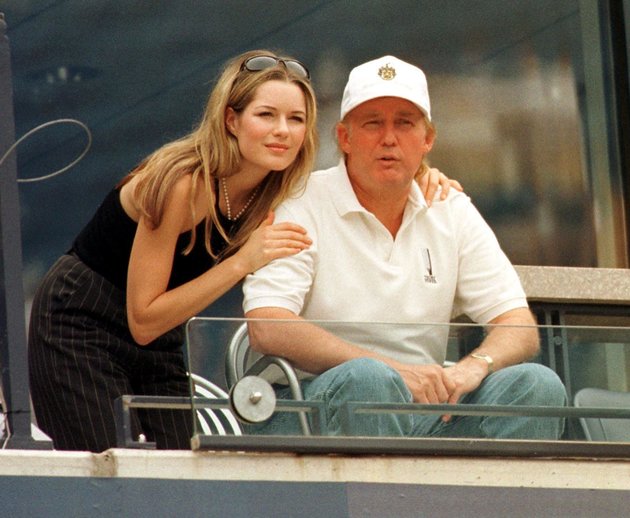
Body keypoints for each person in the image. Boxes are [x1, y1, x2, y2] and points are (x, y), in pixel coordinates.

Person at [28, 50, 456, 452]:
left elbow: (354, 182)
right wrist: (242, 263)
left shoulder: (280, 188)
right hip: (83, 319)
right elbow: (143, 319)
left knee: (183, 475)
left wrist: (418, 175)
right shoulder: (183, 182)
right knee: (112, 466)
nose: (282, 131)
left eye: (296, 119)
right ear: (231, 120)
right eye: (265, 115)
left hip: (163, 337)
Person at [243, 55, 567, 440]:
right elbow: (267, 324)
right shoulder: (301, 202)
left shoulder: (451, 208)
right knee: (369, 382)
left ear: (427, 139)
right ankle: (378, 503)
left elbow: (519, 326)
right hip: (308, 405)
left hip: (424, 411)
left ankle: (489, 502)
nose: (389, 138)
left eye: (405, 123)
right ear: (344, 138)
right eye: (373, 123)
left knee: (537, 385)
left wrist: (475, 364)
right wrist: (395, 371)